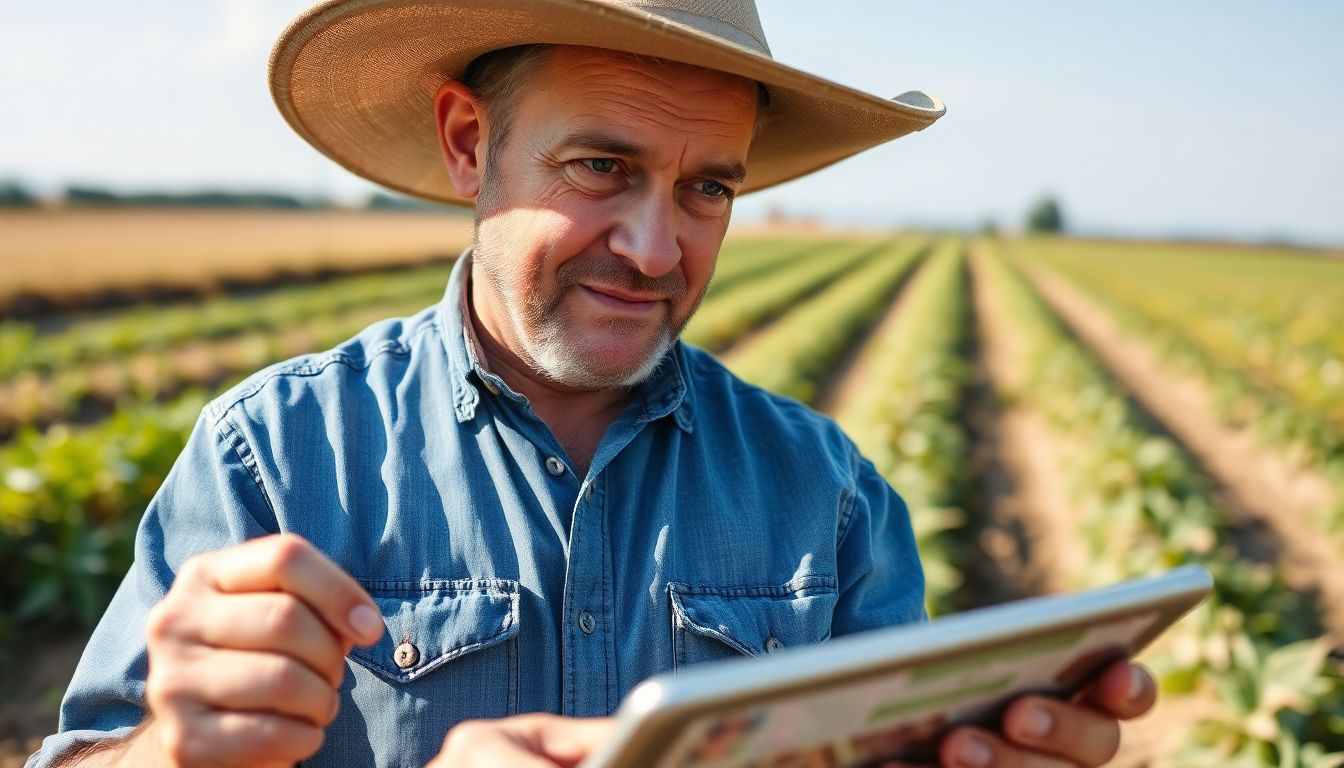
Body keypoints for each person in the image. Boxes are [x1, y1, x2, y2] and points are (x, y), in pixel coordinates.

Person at [27, 1, 1156, 766]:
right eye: (603, 168)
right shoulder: (273, 459)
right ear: (470, 145)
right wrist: (169, 751)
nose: (659, 249)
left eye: (709, 188)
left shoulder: (829, 495)